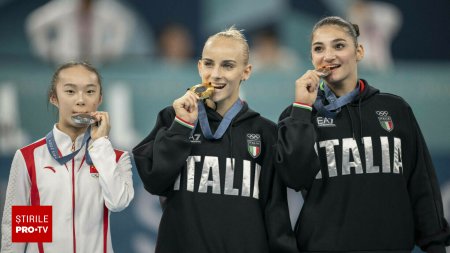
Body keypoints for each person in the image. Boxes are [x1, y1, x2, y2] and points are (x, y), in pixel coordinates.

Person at [275, 16, 450, 253]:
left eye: (339, 45)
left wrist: (436, 245)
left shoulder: (395, 109)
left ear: (359, 51)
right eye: (319, 48)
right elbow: (294, 177)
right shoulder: (298, 116)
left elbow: (422, 185)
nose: (328, 56)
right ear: (312, 58)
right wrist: (302, 109)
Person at [133, 27, 302, 253]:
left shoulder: (265, 133)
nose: (216, 74)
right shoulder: (174, 119)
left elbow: (275, 213)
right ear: (199, 66)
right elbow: (154, 180)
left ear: (247, 71)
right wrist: (181, 126)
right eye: (209, 64)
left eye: (228, 65)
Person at [1, 62, 134, 253]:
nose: (80, 100)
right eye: (70, 91)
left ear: (100, 99)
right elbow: (19, 232)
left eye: (89, 92)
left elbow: (118, 202)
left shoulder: (115, 158)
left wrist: (101, 145)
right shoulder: (30, 157)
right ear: (54, 98)